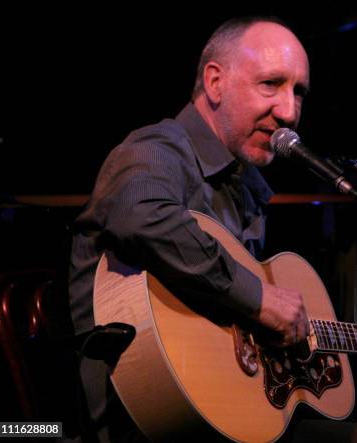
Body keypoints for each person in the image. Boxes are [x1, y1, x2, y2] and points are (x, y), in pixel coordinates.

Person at [68, 16, 311, 442]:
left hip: (204, 413)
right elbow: (142, 217)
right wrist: (257, 297)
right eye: (270, 84)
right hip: (134, 422)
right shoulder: (156, 148)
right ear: (215, 83)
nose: (289, 111)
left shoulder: (244, 183)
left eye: (299, 92)